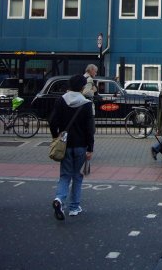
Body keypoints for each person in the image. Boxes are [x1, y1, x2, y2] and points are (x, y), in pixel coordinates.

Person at [50, 74, 95, 220]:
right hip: (81, 145)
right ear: (82, 87)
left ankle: (59, 199)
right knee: (77, 176)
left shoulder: (61, 100)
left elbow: (52, 122)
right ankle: (74, 207)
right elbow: (90, 129)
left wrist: (55, 136)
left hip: (65, 144)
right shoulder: (86, 104)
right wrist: (90, 148)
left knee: (65, 175)